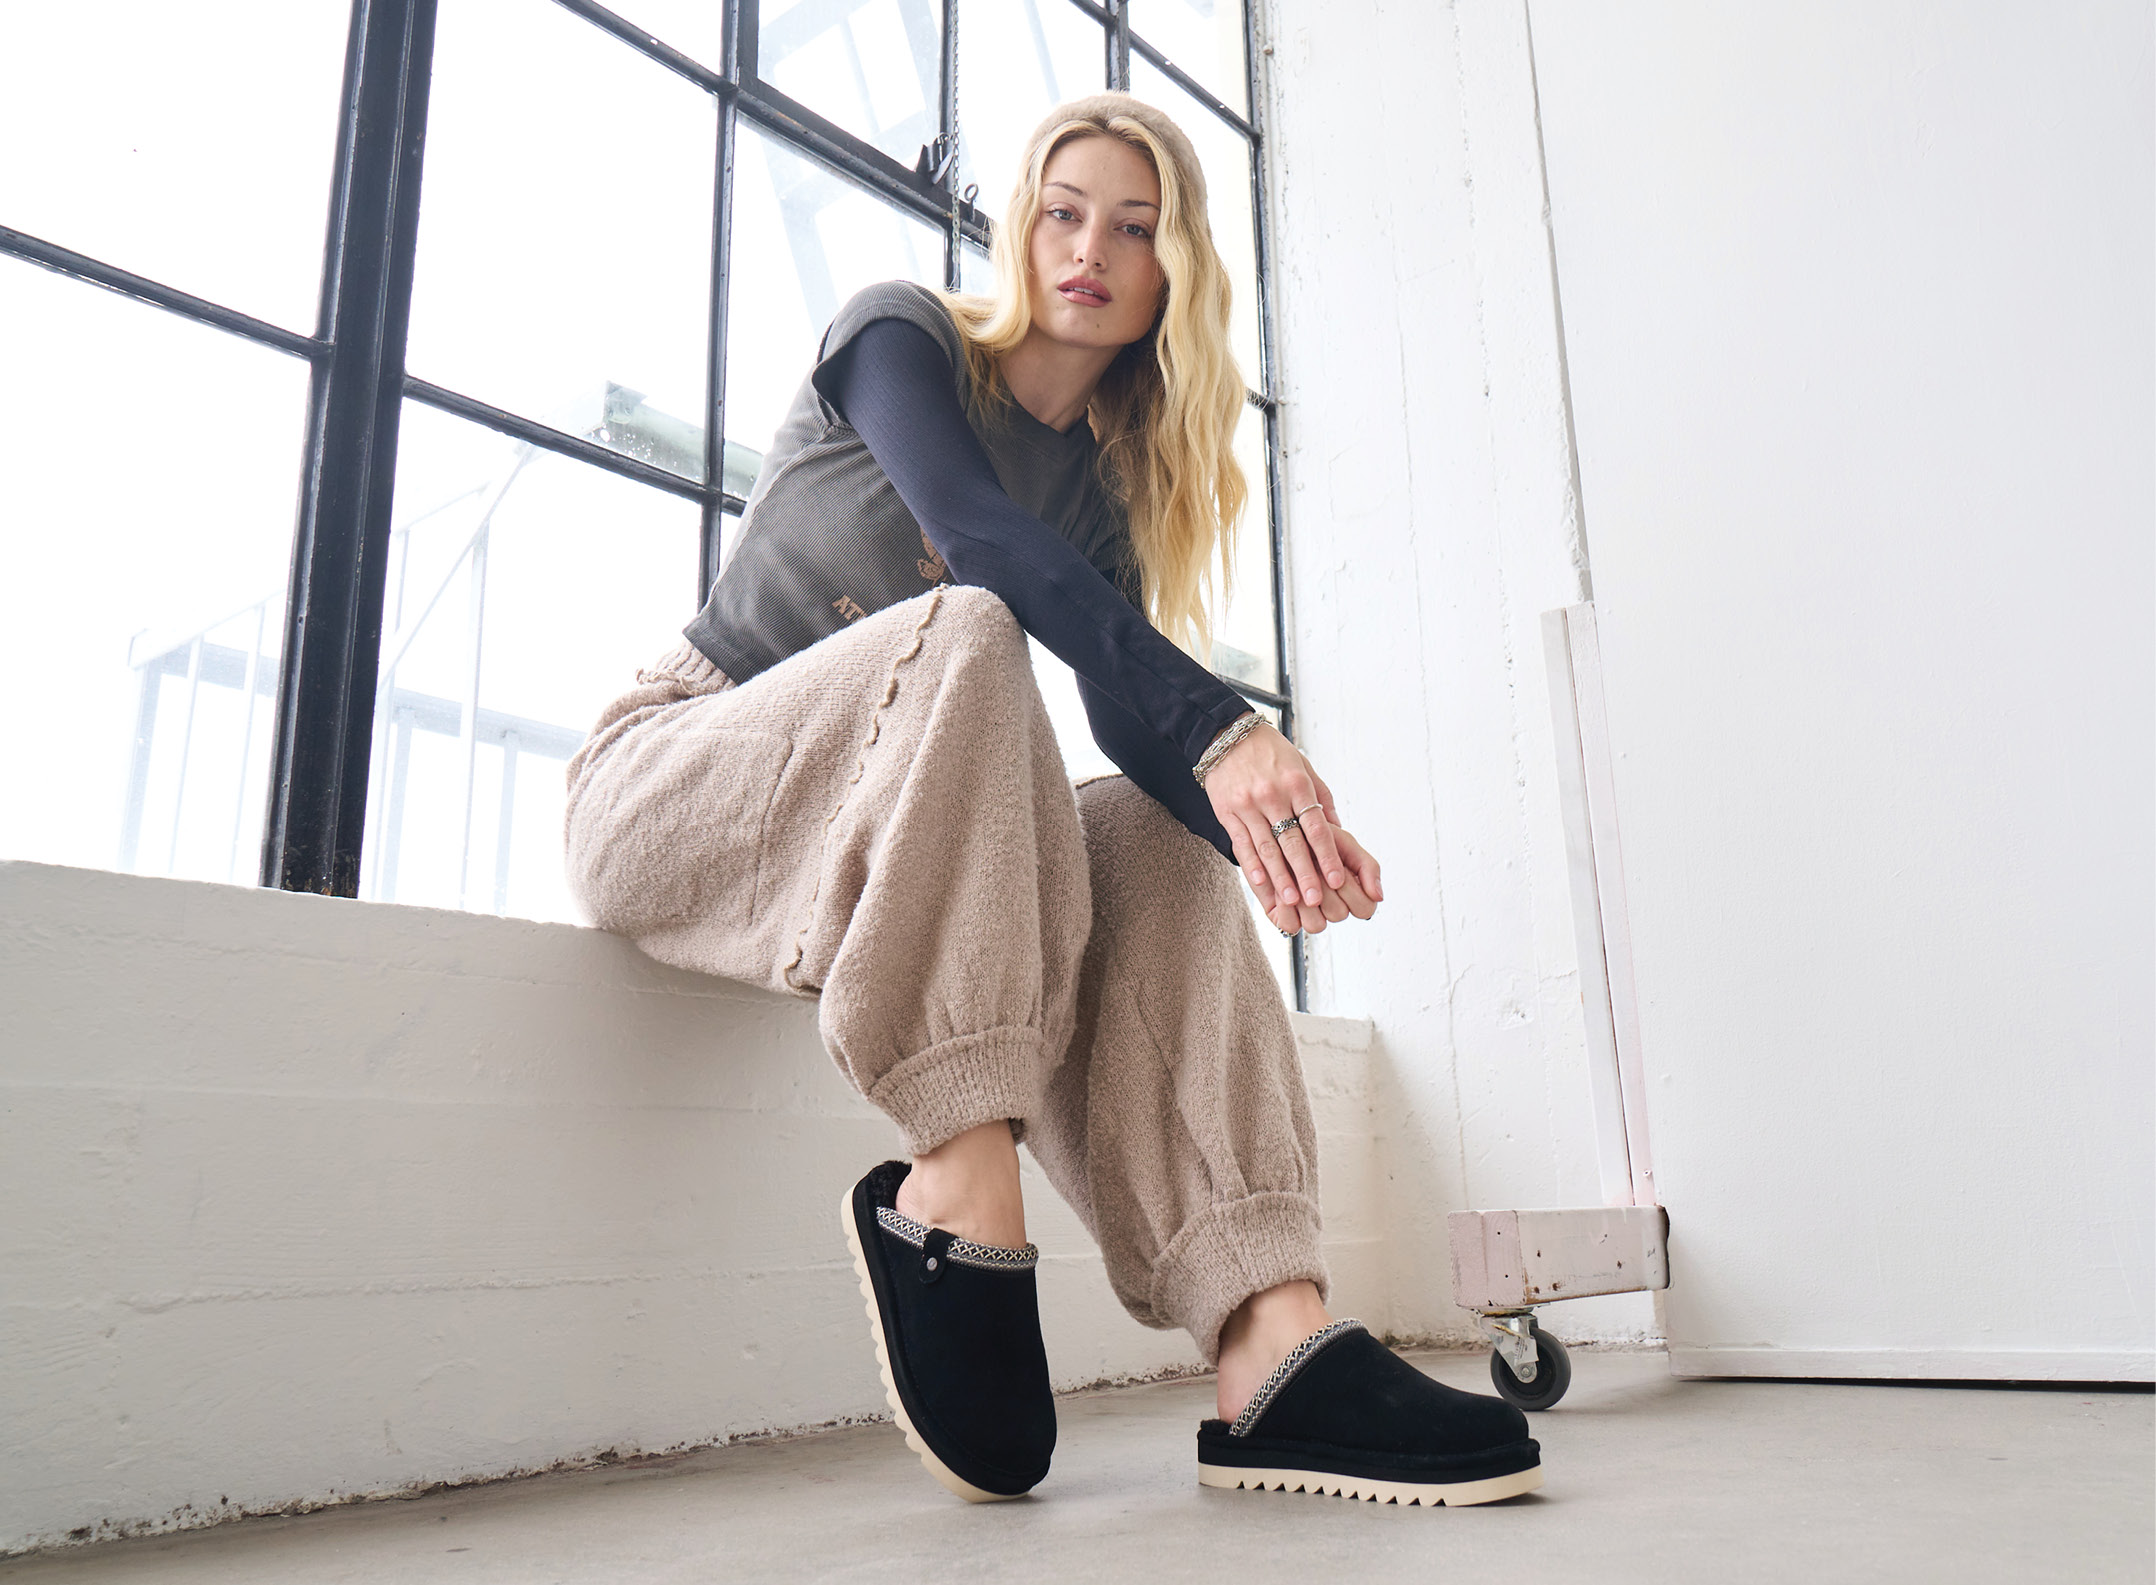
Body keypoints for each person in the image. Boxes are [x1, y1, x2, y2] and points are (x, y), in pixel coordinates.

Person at [563, 93, 1540, 1508]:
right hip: (672, 782)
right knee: (971, 624)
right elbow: (977, 540)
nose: (1089, 250)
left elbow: (1130, 726)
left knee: (1153, 833)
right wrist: (1227, 730)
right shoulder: (897, 337)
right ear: (1021, 228)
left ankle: (1267, 1330)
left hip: (866, 823)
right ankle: (958, 1171)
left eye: (1133, 230)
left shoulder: (1100, 492)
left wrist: (1270, 833)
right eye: (1063, 212)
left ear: (1170, 276)